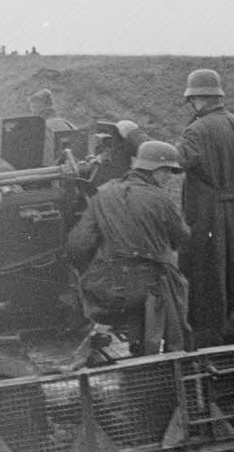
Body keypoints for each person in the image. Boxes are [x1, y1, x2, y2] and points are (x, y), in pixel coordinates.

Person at [118, 68, 234, 347]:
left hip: (212, 220)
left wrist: (133, 134)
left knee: (209, 285)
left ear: (196, 99)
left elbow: (170, 160)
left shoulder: (198, 130)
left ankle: (209, 345)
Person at [66, 141, 191, 354]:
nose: (169, 176)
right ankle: (173, 360)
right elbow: (182, 239)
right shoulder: (161, 199)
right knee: (176, 285)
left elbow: (77, 244)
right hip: (154, 290)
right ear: (155, 170)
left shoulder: (102, 195)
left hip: (109, 290)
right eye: (167, 171)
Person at [28, 88, 76, 164]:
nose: (32, 112)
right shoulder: (69, 125)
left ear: (36, 109)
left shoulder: (40, 129)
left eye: (32, 109)